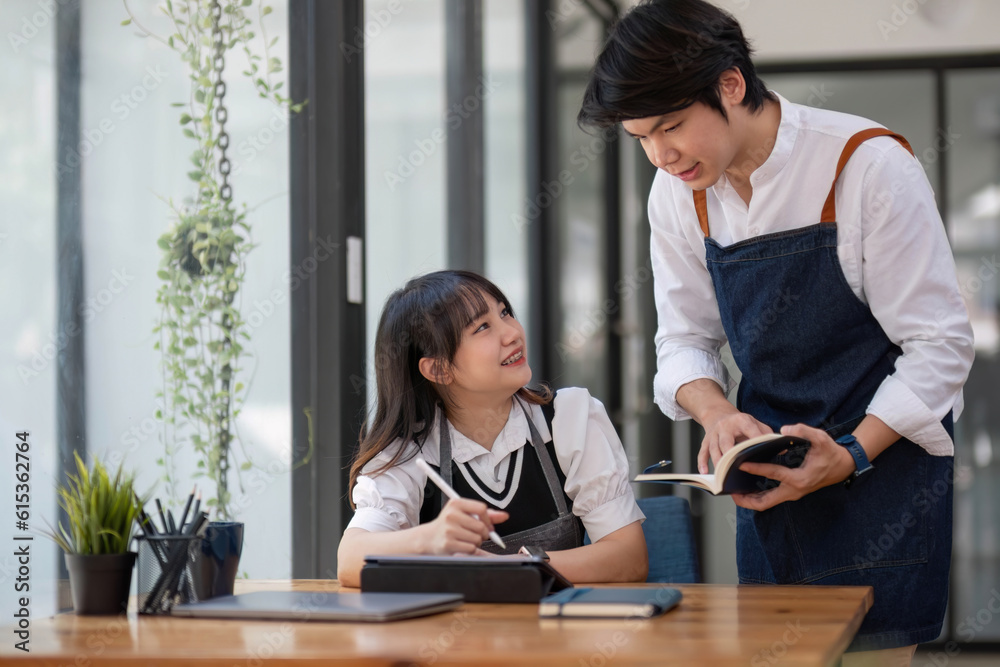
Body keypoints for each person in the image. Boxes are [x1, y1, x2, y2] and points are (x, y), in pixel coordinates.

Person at [578, 1, 974, 664]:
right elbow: (683, 340)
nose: (660, 154)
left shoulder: (867, 167)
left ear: (731, 84)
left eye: (671, 126)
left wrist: (848, 454)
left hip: (882, 472)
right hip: (770, 475)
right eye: (640, 137)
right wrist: (717, 411)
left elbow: (940, 347)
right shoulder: (678, 192)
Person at [337, 270, 647, 587]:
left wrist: (510, 567)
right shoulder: (410, 453)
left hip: (557, 633)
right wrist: (429, 538)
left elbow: (628, 558)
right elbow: (350, 561)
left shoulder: (569, 418)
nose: (512, 332)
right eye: (483, 327)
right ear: (438, 368)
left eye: (505, 312)